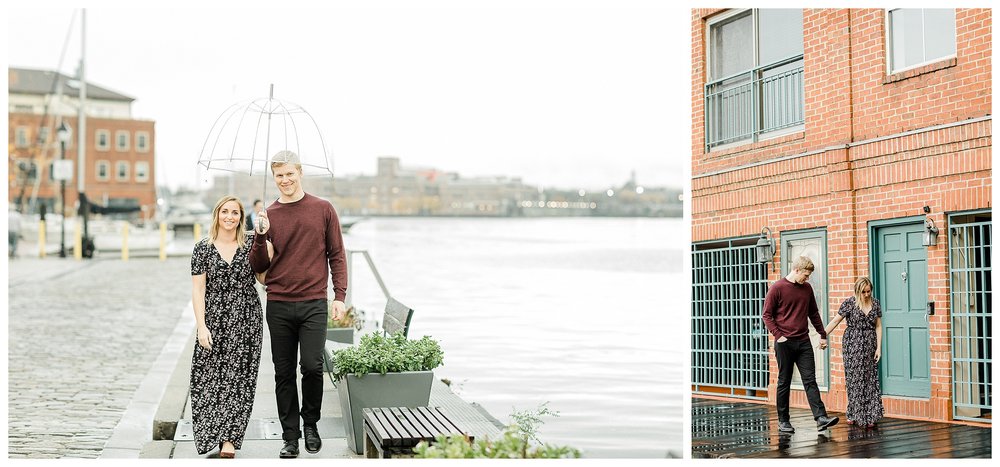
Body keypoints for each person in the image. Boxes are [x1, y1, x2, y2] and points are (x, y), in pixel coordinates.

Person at [250, 150, 348, 458]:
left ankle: (311, 425)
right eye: (279, 175)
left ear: (300, 172)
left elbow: (337, 254)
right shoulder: (269, 215)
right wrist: (259, 236)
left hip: (313, 303)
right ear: (274, 178)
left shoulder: (323, 209)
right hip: (278, 302)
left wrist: (340, 296)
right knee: (283, 372)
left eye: (290, 174)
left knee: (312, 367)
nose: (285, 180)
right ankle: (289, 436)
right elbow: (258, 267)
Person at [190, 195, 267, 458]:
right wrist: (201, 326)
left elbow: (263, 278)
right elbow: (198, 290)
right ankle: (213, 432)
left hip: (246, 319)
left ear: (241, 217)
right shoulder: (202, 248)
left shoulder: (250, 245)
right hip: (214, 320)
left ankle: (230, 440)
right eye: (225, 212)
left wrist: (264, 243)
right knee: (208, 377)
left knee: (239, 380)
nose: (230, 217)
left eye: (235, 213)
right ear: (217, 215)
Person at [761, 255, 840, 433]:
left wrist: (822, 334)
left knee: (810, 380)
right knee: (784, 381)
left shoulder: (807, 288)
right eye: (805, 275)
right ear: (796, 270)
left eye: (809, 276)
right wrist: (778, 335)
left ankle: (820, 418)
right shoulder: (777, 288)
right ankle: (783, 421)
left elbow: (813, 313)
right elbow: (766, 315)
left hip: (803, 342)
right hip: (784, 343)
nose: (807, 278)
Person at [825, 277, 884, 428]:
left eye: (868, 291)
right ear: (857, 291)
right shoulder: (849, 303)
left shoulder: (875, 303)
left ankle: (871, 414)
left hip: (870, 343)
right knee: (855, 379)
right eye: (863, 292)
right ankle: (854, 413)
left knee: (870, 379)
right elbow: (835, 321)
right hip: (852, 344)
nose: (866, 294)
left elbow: (878, 326)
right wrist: (822, 334)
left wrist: (879, 347)